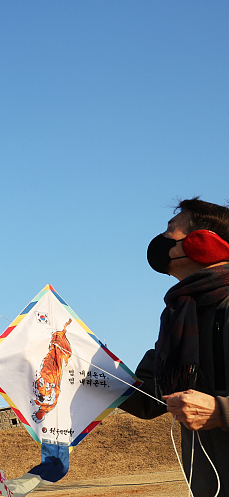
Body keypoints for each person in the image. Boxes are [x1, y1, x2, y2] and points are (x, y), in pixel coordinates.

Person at [122, 198, 229, 497]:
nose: (161, 239)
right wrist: (85, 367)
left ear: (203, 242)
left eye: (171, 230)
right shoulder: (180, 318)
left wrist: (222, 411)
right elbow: (150, 398)